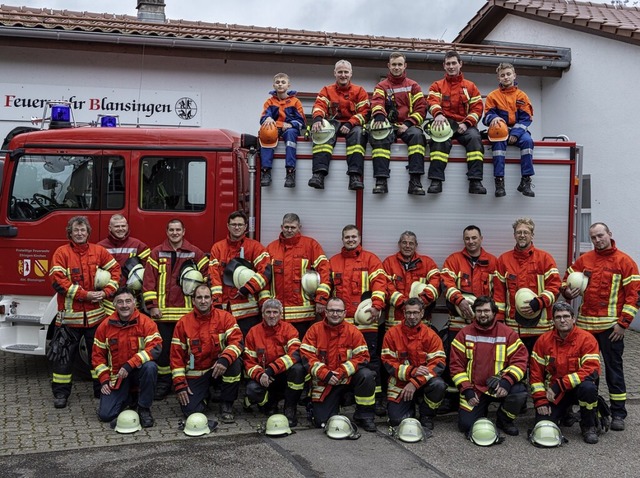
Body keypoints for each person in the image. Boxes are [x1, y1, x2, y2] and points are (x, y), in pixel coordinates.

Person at [561, 222, 640, 431]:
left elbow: (634, 296)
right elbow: (565, 282)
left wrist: (623, 325)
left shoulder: (625, 262)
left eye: (600, 235)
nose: (597, 240)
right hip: (586, 328)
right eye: (594, 237)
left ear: (609, 234)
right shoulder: (584, 260)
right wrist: (567, 292)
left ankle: (618, 413)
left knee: (614, 371)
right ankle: (590, 409)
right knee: (587, 372)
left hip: (611, 329)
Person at [49, 216, 121, 409]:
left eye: (83, 230)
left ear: (88, 232)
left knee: (98, 356)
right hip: (68, 320)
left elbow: (116, 270)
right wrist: (86, 295)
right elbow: (58, 281)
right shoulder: (61, 253)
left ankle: (101, 389)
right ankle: (61, 394)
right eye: (76, 230)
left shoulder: (99, 251)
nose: (79, 233)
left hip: (96, 318)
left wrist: (107, 292)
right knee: (64, 358)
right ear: (70, 233)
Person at [143, 218, 208, 400]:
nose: (175, 233)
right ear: (167, 232)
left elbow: (208, 276)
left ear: (184, 231)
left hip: (186, 314)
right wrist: (152, 306)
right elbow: (149, 281)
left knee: (186, 350)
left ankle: (185, 381)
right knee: (163, 351)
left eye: (178, 230)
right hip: (162, 314)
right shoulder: (157, 253)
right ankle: (164, 383)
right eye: (171, 230)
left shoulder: (194, 253)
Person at [449, 296, 529, 437]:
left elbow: (520, 361)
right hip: (474, 389)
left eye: (486, 310)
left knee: (519, 392)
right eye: (479, 311)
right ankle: (481, 410)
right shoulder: (464, 334)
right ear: (474, 312)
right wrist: (466, 389)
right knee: (466, 426)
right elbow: (456, 366)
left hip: (499, 387)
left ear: (494, 313)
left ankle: (504, 420)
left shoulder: (508, 334)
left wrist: (506, 381)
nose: (483, 314)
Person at [330, 224, 388, 414]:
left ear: (359, 238)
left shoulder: (370, 260)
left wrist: (377, 305)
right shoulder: (334, 262)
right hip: (342, 322)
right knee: (344, 359)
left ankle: (376, 399)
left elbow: (380, 284)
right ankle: (347, 394)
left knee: (371, 361)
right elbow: (326, 286)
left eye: (354, 237)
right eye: (347, 237)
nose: (351, 240)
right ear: (342, 239)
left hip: (366, 321)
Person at [440, 225, 497, 412]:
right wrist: (460, 300)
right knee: (454, 360)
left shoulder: (493, 262)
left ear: (481, 238)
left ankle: (479, 396)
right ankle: (451, 399)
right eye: (467, 238)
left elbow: (499, 292)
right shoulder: (453, 260)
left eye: (474, 238)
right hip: (457, 323)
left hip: (483, 324)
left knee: (480, 360)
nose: (471, 242)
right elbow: (445, 283)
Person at [300, 297, 377, 431]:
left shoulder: (353, 331)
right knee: (322, 422)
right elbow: (306, 356)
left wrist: (342, 372)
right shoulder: (314, 330)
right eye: (331, 311)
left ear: (345, 313)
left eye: (338, 311)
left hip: (347, 380)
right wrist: (325, 374)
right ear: (325, 312)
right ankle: (332, 405)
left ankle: (365, 415)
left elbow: (363, 356)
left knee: (367, 375)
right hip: (326, 383)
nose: (335, 314)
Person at [530, 302, 601, 444]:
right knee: (544, 424)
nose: (562, 320)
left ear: (573, 319)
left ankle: (588, 425)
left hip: (576, 389)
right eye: (558, 317)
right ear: (553, 321)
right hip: (555, 394)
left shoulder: (587, 339)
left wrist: (560, 384)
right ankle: (566, 413)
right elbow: (535, 374)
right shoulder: (543, 341)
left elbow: (591, 369)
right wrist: (540, 400)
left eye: (566, 316)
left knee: (588, 388)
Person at [170, 284, 243, 422]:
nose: (203, 301)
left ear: (211, 300)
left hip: (219, 368)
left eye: (206, 297)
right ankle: (205, 395)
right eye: (199, 297)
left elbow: (237, 342)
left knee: (234, 363)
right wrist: (180, 385)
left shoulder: (225, 317)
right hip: (197, 374)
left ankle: (226, 404)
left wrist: (225, 359)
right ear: (193, 300)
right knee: (191, 411)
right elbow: (176, 357)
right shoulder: (183, 323)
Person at [92, 287, 162, 428]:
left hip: (137, 372)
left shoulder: (146, 323)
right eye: (120, 302)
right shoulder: (105, 326)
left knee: (150, 367)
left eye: (128, 301)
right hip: (117, 377)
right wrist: (104, 380)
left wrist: (130, 364)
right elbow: (97, 357)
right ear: (114, 304)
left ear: (135, 302)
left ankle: (144, 408)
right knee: (106, 415)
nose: (124, 305)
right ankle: (129, 398)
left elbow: (156, 348)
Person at [494, 217, 561, 352]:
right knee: (517, 368)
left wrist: (539, 302)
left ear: (532, 235)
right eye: (519, 232)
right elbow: (498, 293)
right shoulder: (503, 260)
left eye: (526, 232)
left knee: (540, 368)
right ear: (514, 235)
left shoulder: (545, 258)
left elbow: (555, 287)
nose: (522, 235)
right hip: (513, 327)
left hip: (540, 328)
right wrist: (499, 319)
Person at [381, 298, 447, 430]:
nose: (412, 316)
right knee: (397, 421)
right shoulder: (392, 334)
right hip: (400, 383)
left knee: (438, 385)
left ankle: (427, 415)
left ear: (422, 313)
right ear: (404, 313)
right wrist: (411, 372)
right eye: (409, 313)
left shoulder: (431, 335)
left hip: (422, 382)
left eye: (415, 313)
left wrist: (414, 382)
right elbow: (388, 362)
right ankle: (409, 407)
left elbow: (438, 364)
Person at [426, 50, 486, 195]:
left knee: (475, 139)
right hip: (444, 125)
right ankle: (436, 181)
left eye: (454, 63)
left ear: (460, 64)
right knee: (438, 142)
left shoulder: (470, 87)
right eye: (448, 64)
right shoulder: (437, 86)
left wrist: (466, 123)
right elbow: (432, 102)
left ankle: (475, 181)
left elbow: (477, 108)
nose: (451, 66)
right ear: (444, 66)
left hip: (465, 126)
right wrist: (438, 114)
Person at [369, 52, 428, 195]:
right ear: (389, 66)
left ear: (405, 66)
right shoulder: (381, 86)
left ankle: (415, 181)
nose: (396, 67)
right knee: (379, 137)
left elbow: (421, 108)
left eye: (399, 64)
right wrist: (379, 117)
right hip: (388, 125)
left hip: (409, 125)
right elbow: (377, 102)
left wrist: (408, 124)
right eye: (394, 64)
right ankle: (381, 180)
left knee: (417, 136)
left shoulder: (413, 86)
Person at [266, 213, 331, 340]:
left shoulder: (311, 245)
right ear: (281, 227)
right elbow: (264, 277)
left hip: (303, 313)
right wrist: (266, 303)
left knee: (301, 347)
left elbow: (325, 272)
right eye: (286, 227)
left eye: (293, 227)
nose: (289, 230)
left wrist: (321, 299)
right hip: (277, 313)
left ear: (299, 227)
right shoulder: (271, 248)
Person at [308, 60, 370, 191]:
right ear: (335, 73)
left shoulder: (359, 91)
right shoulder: (326, 90)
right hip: (332, 125)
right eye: (340, 72)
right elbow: (319, 105)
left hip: (352, 125)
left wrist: (350, 123)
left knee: (358, 134)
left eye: (346, 72)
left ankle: (355, 176)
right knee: (321, 130)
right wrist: (318, 118)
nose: (343, 75)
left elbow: (365, 112)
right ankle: (319, 174)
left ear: (351, 73)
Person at [209, 210, 271, 337]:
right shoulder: (218, 248)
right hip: (225, 310)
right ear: (228, 226)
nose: (237, 227)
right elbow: (214, 277)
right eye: (233, 224)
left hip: (248, 312)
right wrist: (216, 303)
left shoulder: (255, 247)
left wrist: (247, 288)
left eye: (240, 225)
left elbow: (265, 271)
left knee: (247, 346)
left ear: (246, 227)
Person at [243, 298, 305, 427]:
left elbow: (295, 353)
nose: (272, 316)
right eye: (268, 312)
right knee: (251, 389)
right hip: (265, 377)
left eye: (275, 312)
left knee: (298, 370)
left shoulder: (289, 330)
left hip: (282, 374)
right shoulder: (253, 333)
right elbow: (249, 362)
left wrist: (271, 369)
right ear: (262, 313)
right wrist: (260, 375)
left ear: (281, 314)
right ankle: (269, 403)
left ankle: (290, 408)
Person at [483, 62, 535, 198]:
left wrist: (516, 134)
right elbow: (486, 115)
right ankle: (499, 182)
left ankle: (526, 181)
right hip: (500, 132)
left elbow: (527, 118)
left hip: (518, 132)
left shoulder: (522, 96)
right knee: (498, 148)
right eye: (502, 75)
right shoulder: (493, 96)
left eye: (508, 74)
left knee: (528, 142)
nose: (506, 77)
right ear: (498, 78)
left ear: (514, 75)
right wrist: (493, 118)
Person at [383, 230, 440, 331]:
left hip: (421, 323)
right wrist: (405, 303)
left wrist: (424, 299)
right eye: (404, 242)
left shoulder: (427, 263)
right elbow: (386, 286)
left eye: (411, 243)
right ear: (399, 244)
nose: (407, 246)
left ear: (416, 245)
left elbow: (436, 282)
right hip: (395, 323)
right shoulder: (389, 263)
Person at [259, 72, 306, 188]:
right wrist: (268, 118)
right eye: (277, 82)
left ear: (288, 85)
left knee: (290, 135)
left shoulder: (295, 101)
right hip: (275, 128)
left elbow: (302, 122)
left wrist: (291, 124)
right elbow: (263, 118)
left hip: (290, 129)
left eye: (283, 82)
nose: (280, 84)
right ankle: (266, 172)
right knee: (266, 133)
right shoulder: (269, 102)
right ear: (274, 85)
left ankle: (290, 172)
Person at [98, 214, 150, 314]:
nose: (120, 229)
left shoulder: (138, 245)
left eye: (123, 226)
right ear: (110, 228)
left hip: (131, 300)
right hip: (108, 303)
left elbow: (150, 271)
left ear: (127, 227)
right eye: (117, 226)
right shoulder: (100, 247)